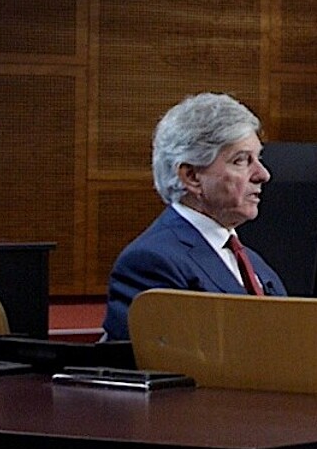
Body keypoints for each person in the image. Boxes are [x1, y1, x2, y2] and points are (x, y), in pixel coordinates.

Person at [102, 93, 283, 341]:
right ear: (192, 177)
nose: (263, 174)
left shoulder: (255, 263)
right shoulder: (151, 263)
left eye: (258, 158)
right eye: (241, 160)